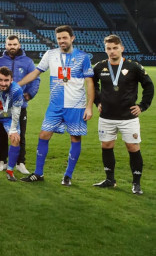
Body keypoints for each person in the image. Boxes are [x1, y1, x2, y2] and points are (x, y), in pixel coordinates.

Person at [18, 25, 94, 186]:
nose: (61, 41)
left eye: (64, 38)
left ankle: (68, 175)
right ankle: (38, 173)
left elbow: (89, 83)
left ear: (72, 38)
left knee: (75, 137)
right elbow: (36, 73)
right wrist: (17, 85)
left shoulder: (82, 57)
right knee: (43, 135)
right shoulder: (50, 54)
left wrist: (89, 106)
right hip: (55, 105)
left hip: (76, 106)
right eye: (59, 38)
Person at [91, 34, 153, 195]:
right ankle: (110, 180)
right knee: (106, 146)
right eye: (108, 49)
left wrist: (142, 106)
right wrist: (97, 102)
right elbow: (91, 84)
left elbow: (149, 86)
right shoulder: (99, 66)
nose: (112, 51)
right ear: (105, 50)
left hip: (128, 118)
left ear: (122, 48)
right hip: (106, 117)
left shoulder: (134, 67)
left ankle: (136, 183)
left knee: (132, 147)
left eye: (115, 48)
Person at [0, 35, 39, 174]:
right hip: (3, 105)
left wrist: (29, 94)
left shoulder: (28, 62)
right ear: (5, 45)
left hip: (20, 105)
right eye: (9, 44)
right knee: (2, 133)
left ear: (19, 45)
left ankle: (20, 163)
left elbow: (36, 80)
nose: (12, 47)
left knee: (20, 134)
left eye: (14, 44)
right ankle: (2, 161)